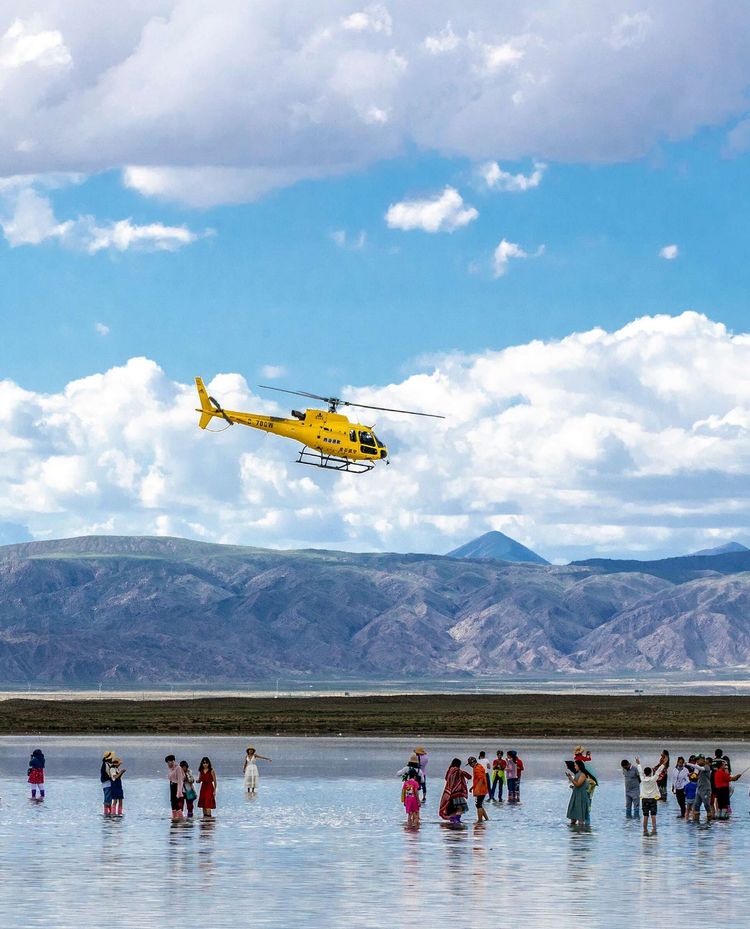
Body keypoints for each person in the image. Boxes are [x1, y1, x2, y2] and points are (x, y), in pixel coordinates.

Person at [635, 756, 664, 836]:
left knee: (645, 815)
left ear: (645, 773)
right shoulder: (653, 779)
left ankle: (644, 829)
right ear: (651, 773)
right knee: (653, 815)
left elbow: (640, 772)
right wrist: (663, 764)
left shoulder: (642, 779)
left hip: (644, 799)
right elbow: (658, 772)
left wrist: (638, 763)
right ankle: (654, 829)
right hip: (653, 799)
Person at [438, 758, 471, 824]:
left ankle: (453, 820)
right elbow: (469, 776)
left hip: (450, 792)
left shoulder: (450, 770)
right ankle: (456, 820)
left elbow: (446, 778)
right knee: (460, 807)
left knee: (453, 808)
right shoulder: (457, 770)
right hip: (457, 792)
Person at [685, 756, 713, 823]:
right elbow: (696, 775)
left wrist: (688, 764)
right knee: (696, 806)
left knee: (707, 805)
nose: (697, 761)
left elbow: (699, 768)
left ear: (703, 760)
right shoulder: (698, 769)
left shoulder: (706, 767)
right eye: (696, 760)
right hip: (699, 790)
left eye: (698, 760)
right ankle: (696, 822)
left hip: (706, 790)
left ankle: (709, 822)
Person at [565, 760, 590, 826]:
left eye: (576, 765)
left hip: (581, 796)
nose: (575, 767)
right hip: (575, 795)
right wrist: (572, 786)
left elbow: (578, 784)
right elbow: (576, 785)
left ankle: (581, 832)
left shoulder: (583, 774)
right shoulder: (577, 774)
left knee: (580, 817)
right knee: (573, 816)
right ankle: (574, 831)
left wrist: (571, 779)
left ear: (579, 766)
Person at [469, 756, 489, 823]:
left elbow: (481, 779)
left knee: (478, 805)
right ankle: (486, 819)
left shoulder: (477, 768)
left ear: (473, 763)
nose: (470, 765)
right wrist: (473, 787)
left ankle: (480, 820)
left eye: (470, 764)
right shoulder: (479, 766)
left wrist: (477, 789)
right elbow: (478, 779)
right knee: (479, 804)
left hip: (481, 789)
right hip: (482, 788)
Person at [165, 754, 184, 820]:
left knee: (176, 803)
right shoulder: (170, 769)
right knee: (172, 802)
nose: (168, 764)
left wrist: (179, 792)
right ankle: (174, 817)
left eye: (169, 762)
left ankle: (180, 817)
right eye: (167, 762)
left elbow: (180, 780)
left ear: (173, 761)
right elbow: (170, 778)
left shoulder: (178, 768)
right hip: (172, 785)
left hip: (177, 786)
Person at [101, 751, 115, 816]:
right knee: (107, 799)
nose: (112, 759)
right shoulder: (106, 765)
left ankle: (109, 812)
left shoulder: (107, 764)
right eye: (111, 757)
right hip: (107, 784)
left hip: (106, 784)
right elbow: (109, 775)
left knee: (108, 798)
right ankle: (107, 813)